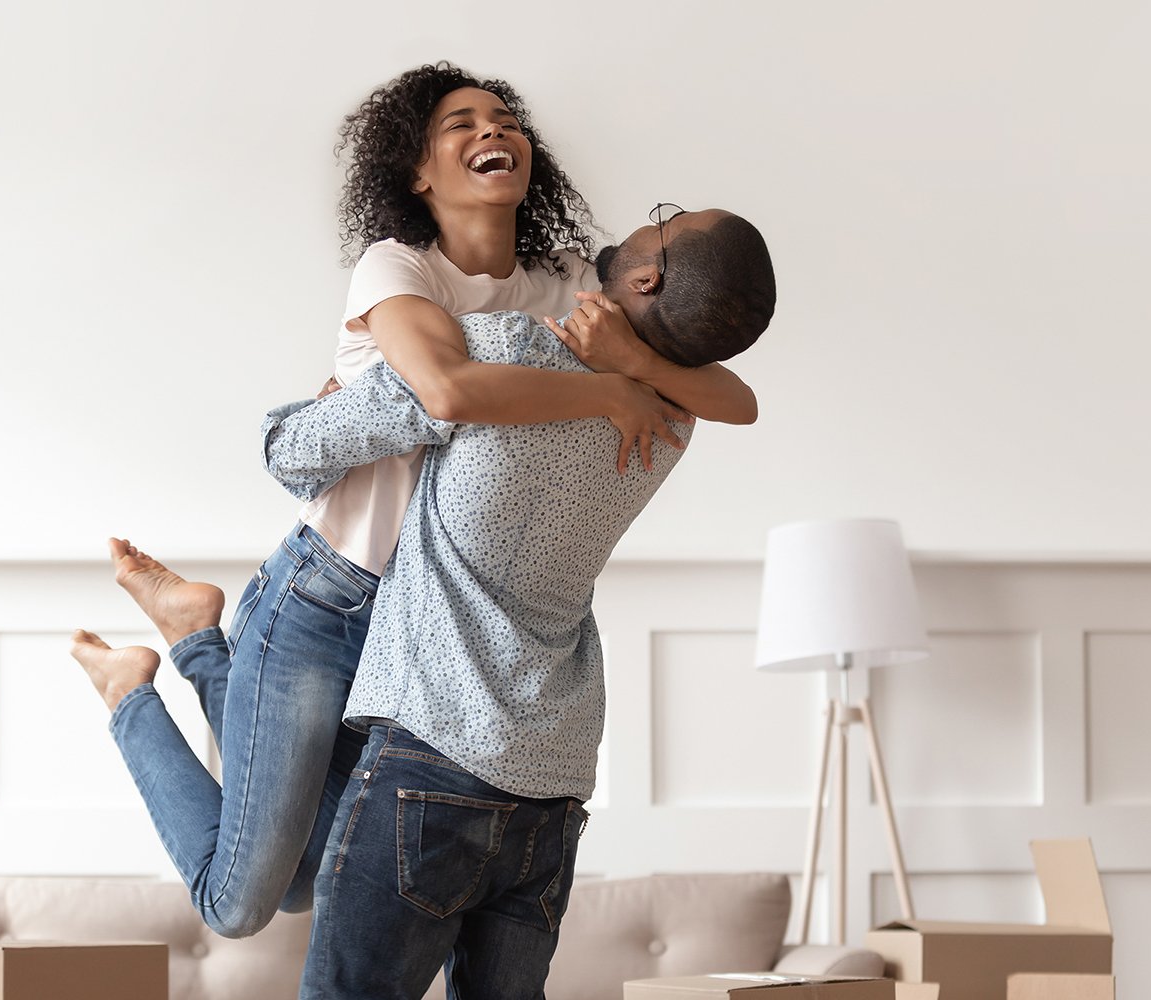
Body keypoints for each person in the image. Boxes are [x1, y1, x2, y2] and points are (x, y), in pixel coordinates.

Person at [69, 63, 756, 940]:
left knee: (304, 882)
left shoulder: (566, 282)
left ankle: (199, 636)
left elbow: (736, 402)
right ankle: (132, 689)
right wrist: (609, 393)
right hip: (324, 598)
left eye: (505, 119)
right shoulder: (397, 268)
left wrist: (644, 367)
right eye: (460, 123)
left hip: (421, 630)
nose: (491, 131)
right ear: (419, 173)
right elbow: (444, 389)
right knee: (242, 902)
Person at [258, 206, 776, 999]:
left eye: (664, 222)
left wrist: (322, 401)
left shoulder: (493, 352)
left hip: (433, 750)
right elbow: (735, 397)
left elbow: (291, 451)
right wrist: (628, 366)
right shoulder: (673, 419)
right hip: (551, 785)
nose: (645, 219)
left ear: (647, 279)